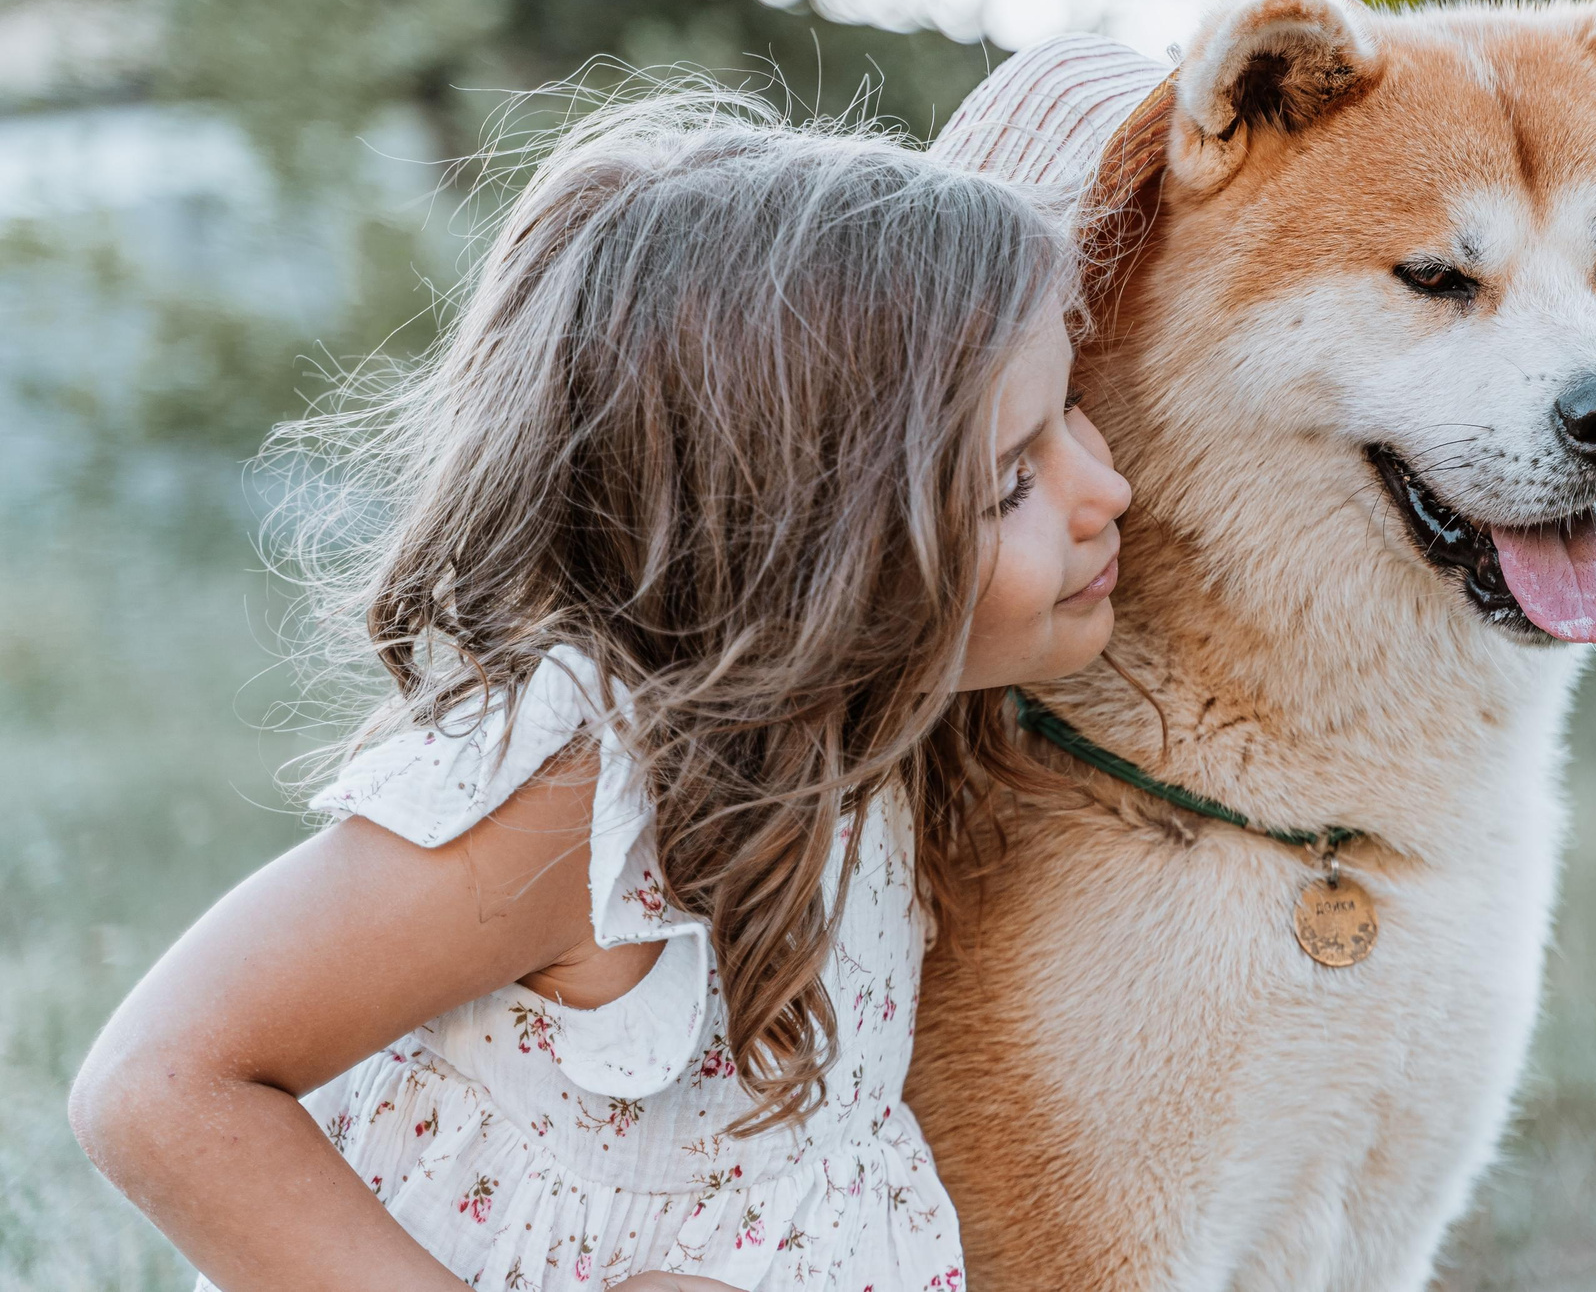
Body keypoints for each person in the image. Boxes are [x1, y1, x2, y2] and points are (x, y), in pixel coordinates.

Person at [66, 90, 1131, 1291]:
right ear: (804, 553)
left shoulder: (864, 737)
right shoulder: (591, 793)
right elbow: (158, 1086)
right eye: (1009, 482)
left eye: (1071, 413)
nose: (1105, 490)